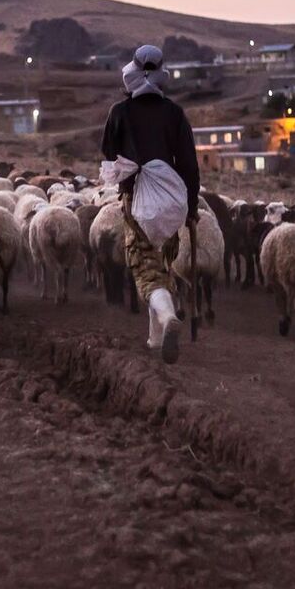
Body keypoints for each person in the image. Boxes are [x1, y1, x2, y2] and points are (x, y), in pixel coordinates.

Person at [100, 44, 199, 364]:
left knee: (145, 268)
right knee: (163, 264)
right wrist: (193, 209)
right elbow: (188, 165)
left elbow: (109, 154)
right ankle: (155, 338)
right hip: (171, 202)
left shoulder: (120, 112)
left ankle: (169, 319)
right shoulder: (174, 113)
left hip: (138, 201)